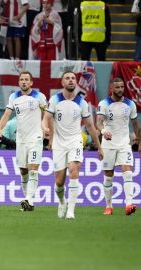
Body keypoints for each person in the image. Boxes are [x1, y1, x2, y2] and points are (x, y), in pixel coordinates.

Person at [42, 71, 103, 220]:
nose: (71, 80)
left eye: (73, 78)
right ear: (62, 82)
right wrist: (45, 128)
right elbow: (46, 119)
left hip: (75, 141)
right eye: (67, 78)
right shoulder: (55, 100)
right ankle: (62, 202)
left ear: (76, 83)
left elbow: (90, 126)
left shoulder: (81, 103)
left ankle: (71, 211)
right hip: (59, 144)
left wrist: (99, 147)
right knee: (59, 182)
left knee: (74, 171)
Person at [0, 71, 47, 211]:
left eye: (26, 80)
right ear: (19, 83)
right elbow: (6, 114)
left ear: (31, 83)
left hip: (35, 138)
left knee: (33, 169)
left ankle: (29, 199)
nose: (23, 82)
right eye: (21, 80)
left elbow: (47, 115)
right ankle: (28, 202)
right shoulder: (14, 97)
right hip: (21, 140)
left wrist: (45, 128)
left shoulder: (39, 97)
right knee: (23, 171)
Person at [96, 77, 140, 216]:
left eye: (122, 87)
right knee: (108, 175)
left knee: (127, 172)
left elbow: (135, 124)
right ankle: (109, 206)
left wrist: (139, 141)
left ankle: (129, 204)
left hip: (124, 144)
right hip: (108, 145)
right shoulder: (104, 104)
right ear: (111, 88)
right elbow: (98, 123)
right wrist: (103, 132)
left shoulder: (130, 104)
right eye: (117, 87)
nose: (120, 90)